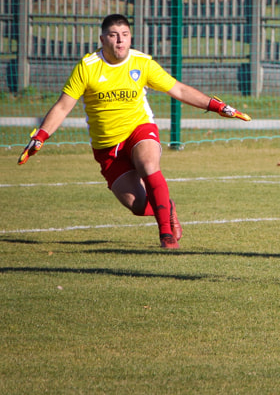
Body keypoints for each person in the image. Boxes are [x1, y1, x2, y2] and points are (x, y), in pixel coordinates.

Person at [17, 13, 251, 249]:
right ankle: (167, 208)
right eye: (113, 35)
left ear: (130, 38)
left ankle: (166, 235)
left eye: (125, 35)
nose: (120, 41)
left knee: (149, 165)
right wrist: (40, 137)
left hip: (138, 129)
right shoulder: (87, 67)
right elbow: (63, 106)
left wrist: (217, 106)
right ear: (102, 39)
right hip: (107, 147)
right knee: (138, 205)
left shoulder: (142, 62)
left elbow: (178, 90)